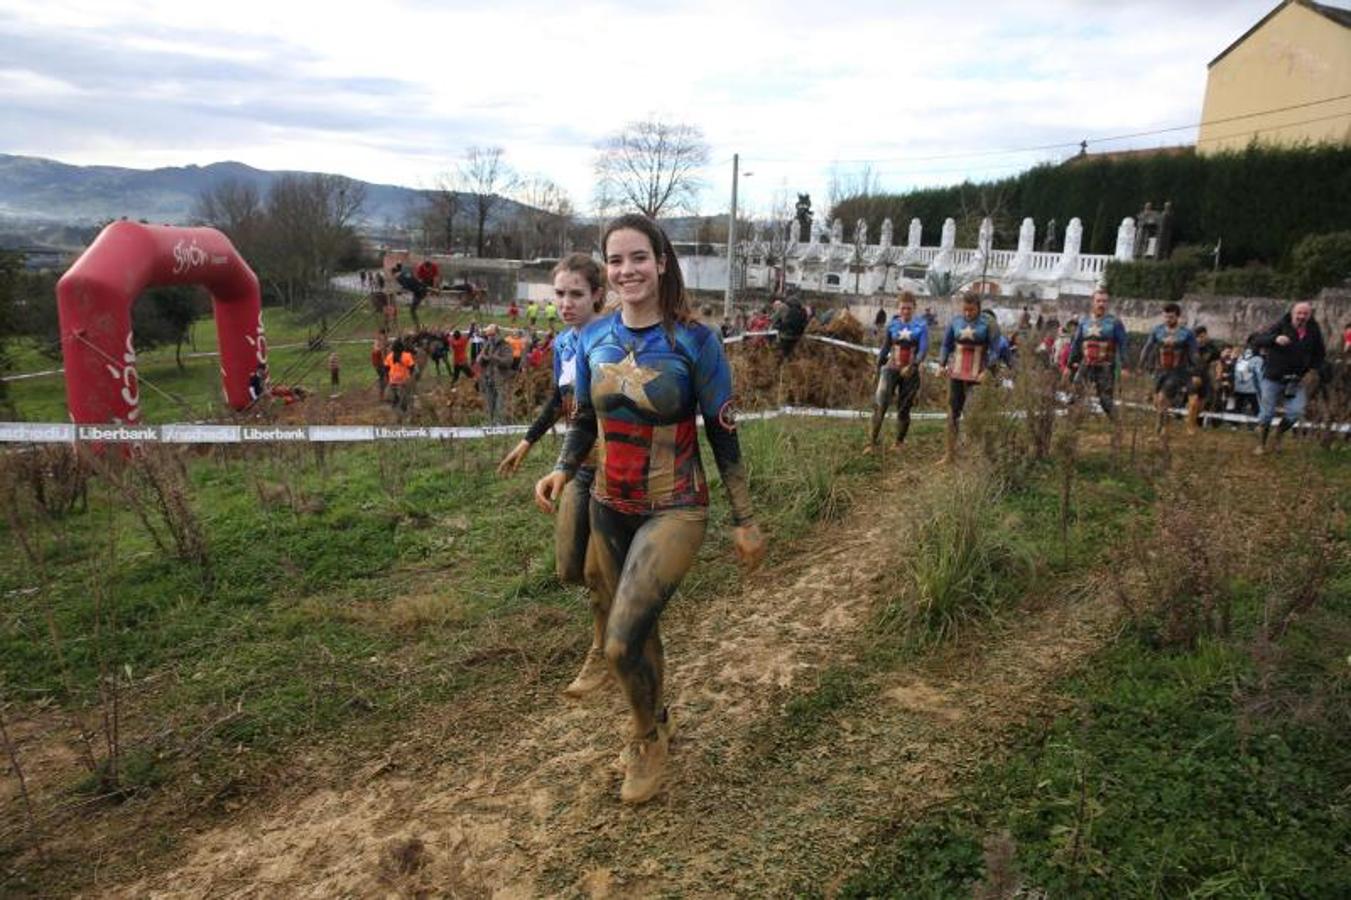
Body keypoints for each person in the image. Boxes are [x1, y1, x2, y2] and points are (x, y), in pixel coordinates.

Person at [534, 214, 765, 805]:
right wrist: (563, 468)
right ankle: (657, 717)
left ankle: (645, 739)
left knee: (619, 642)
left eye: (638, 257)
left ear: (661, 263)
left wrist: (744, 519)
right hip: (611, 505)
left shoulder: (695, 340)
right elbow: (586, 418)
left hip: (676, 507)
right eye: (615, 260)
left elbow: (723, 432)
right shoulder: (594, 337)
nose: (626, 270)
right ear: (606, 270)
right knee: (640, 634)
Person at [498, 254, 610, 694]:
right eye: (560, 294)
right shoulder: (565, 343)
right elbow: (560, 401)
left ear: (597, 295)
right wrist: (527, 442)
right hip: (577, 467)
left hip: (613, 470)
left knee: (597, 572)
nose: (566, 303)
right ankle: (624, 604)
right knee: (568, 569)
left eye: (576, 294)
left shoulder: (613, 339)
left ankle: (603, 650)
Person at [1252, 300, 1326, 454]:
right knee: (1267, 414)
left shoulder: (1314, 330)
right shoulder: (1281, 325)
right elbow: (1257, 341)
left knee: (1295, 412)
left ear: (1309, 315)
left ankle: (1278, 435)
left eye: (1305, 314)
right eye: (1299, 313)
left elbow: (1320, 353)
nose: (1301, 316)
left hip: (1296, 379)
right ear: (1293, 313)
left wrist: (1313, 369)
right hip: (1273, 377)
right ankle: (1261, 445)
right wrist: (1275, 339)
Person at [938, 292, 999, 463]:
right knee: (952, 414)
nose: (967, 313)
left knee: (971, 412)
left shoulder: (989, 324)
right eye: (965, 309)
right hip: (956, 373)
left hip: (979, 375)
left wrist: (988, 370)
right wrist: (941, 364)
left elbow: (995, 350)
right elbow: (945, 344)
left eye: (971, 310)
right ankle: (949, 454)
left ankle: (972, 453)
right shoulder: (955, 322)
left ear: (978, 308)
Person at [866, 291, 928, 453]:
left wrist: (913, 365)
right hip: (892, 367)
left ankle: (899, 442)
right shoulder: (893, 325)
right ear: (898, 308)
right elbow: (886, 347)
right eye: (903, 308)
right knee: (880, 404)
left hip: (911, 371)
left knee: (904, 408)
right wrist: (877, 368)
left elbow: (923, 350)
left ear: (914, 308)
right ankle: (872, 442)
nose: (906, 311)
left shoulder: (921, 326)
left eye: (909, 308)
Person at [1067, 288, 1128, 428]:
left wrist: (1124, 366)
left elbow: (1123, 345)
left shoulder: (1115, 323)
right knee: (1076, 394)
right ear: (1093, 302)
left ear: (1108, 304)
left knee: (1105, 400)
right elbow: (1076, 344)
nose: (1101, 304)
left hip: (1105, 366)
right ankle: (1072, 426)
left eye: (1104, 301)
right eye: (1098, 301)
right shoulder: (1084, 322)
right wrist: (1069, 366)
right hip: (1086, 364)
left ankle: (1118, 426)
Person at [1138, 303, 1199, 434]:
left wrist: (1195, 371)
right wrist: (1141, 364)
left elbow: (1194, 353)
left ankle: (1160, 428)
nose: (1167, 320)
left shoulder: (1186, 333)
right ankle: (1164, 421)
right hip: (1160, 370)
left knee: (1162, 398)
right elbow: (1148, 347)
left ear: (1178, 317)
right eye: (1165, 317)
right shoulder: (1157, 330)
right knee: (1157, 401)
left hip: (1177, 371)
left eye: (1171, 317)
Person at [478, 324, 516, 424]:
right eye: (488, 335)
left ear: (497, 334)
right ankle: (490, 423)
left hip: (500, 379)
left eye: (491, 335)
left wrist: (494, 358)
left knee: (500, 404)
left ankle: (500, 424)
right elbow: (479, 360)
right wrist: (483, 357)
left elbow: (508, 361)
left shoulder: (505, 346)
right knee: (489, 403)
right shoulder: (487, 345)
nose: (489, 337)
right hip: (488, 378)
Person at [1232, 339, 1263, 419]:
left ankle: (1234, 424)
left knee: (1238, 406)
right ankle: (1257, 422)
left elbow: (1237, 371)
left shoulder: (1240, 358)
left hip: (1239, 387)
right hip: (1252, 388)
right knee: (1255, 407)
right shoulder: (1258, 359)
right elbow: (1259, 374)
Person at [772, 293, 809, 359]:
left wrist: (778, 326)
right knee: (790, 354)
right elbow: (806, 322)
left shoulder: (783, 306)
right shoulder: (802, 309)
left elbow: (774, 319)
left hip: (785, 335)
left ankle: (780, 366)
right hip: (797, 336)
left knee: (781, 354)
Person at [384, 339, 417, 413]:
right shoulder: (407, 356)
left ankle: (396, 406)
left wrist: (387, 377)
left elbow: (386, 368)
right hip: (403, 381)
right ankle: (402, 409)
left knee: (394, 398)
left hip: (393, 381)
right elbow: (412, 367)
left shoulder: (390, 356)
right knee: (405, 398)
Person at [371, 332, 388, 399]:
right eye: (383, 336)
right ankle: (381, 394)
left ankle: (382, 392)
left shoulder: (381, 342)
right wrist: (382, 347)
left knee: (385, 377)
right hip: (378, 364)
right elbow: (376, 350)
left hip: (381, 363)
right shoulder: (377, 342)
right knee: (383, 378)